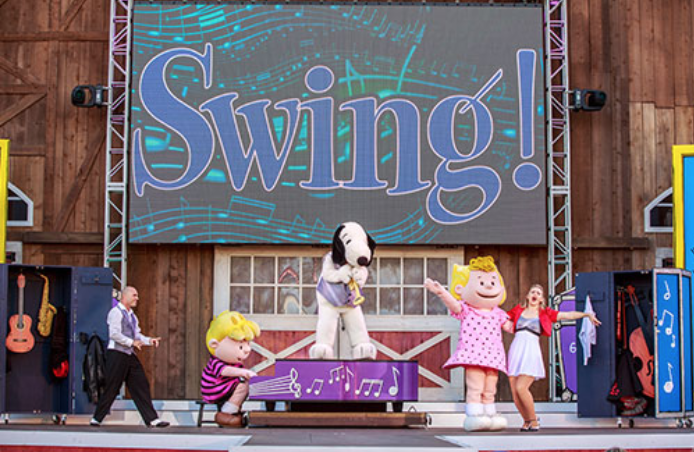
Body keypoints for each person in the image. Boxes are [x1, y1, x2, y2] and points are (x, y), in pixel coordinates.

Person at [424, 256, 511, 431]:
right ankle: (475, 416)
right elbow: (454, 305)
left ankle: (490, 415)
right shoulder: (467, 309)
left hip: (493, 356)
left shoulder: (498, 313)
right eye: (482, 282)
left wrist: (534, 320)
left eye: (493, 282)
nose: (488, 286)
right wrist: (441, 292)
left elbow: (511, 327)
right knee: (475, 386)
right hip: (474, 355)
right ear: (460, 288)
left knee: (490, 388)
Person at [506, 284, 601, 432]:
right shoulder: (518, 310)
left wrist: (586, 315)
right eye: (533, 292)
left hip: (530, 351)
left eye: (538, 293)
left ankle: (534, 420)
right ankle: (526, 420)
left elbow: (567, 315)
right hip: (516, 350)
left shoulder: (545, 313)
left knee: (521, 388)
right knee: (515, 393)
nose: (535, 294)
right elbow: (500, 318)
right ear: (528, 296)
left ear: (541, 299)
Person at [90, 286, 169, 427]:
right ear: (125, 296)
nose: (137, 298)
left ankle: (152, 419)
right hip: (117, 354)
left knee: (141, 384)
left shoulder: (132, 316)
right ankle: (97, 418)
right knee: (112, 387)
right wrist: (131, 342)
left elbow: (137, 335)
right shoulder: (115, 313)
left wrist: (149, 341)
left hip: (129, 354)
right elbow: (114, 334)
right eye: (134, 295)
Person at [201, 310, 260, 427]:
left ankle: (235, 408)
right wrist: (243, 372)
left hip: (226, 387)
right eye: (241, 346)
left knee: (246, 385)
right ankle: (228, 411)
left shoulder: (235, 364)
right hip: (214, 388)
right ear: (215, 344)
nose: (247, 350)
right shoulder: (216, 362)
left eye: (247, 344)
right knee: (243, 386)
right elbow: (224, 371)